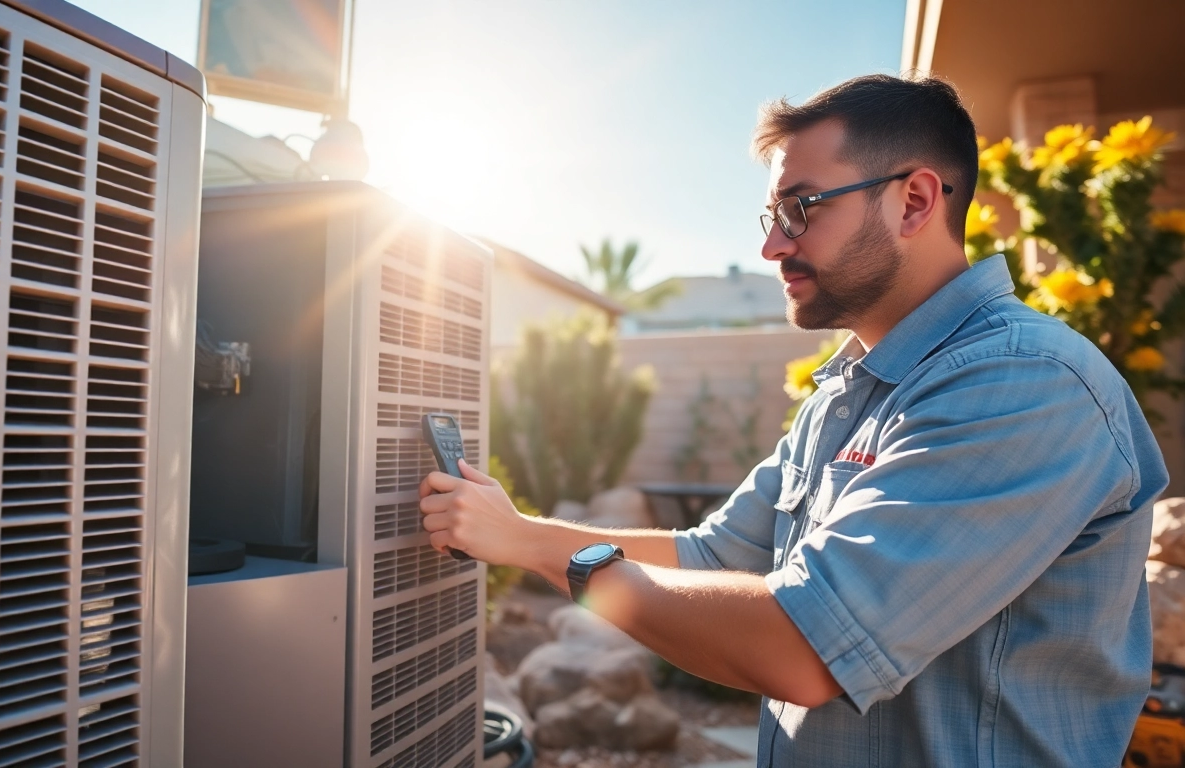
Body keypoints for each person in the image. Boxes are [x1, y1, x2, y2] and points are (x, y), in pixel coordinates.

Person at [418, 74, 1170, 766]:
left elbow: (803, 648)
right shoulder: (847, 392)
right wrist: (518, 531)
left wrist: (539, 550)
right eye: (772, 213)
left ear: (914, 201)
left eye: (801, 209)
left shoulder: (1023, 383)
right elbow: (712, 561)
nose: (772, 244)